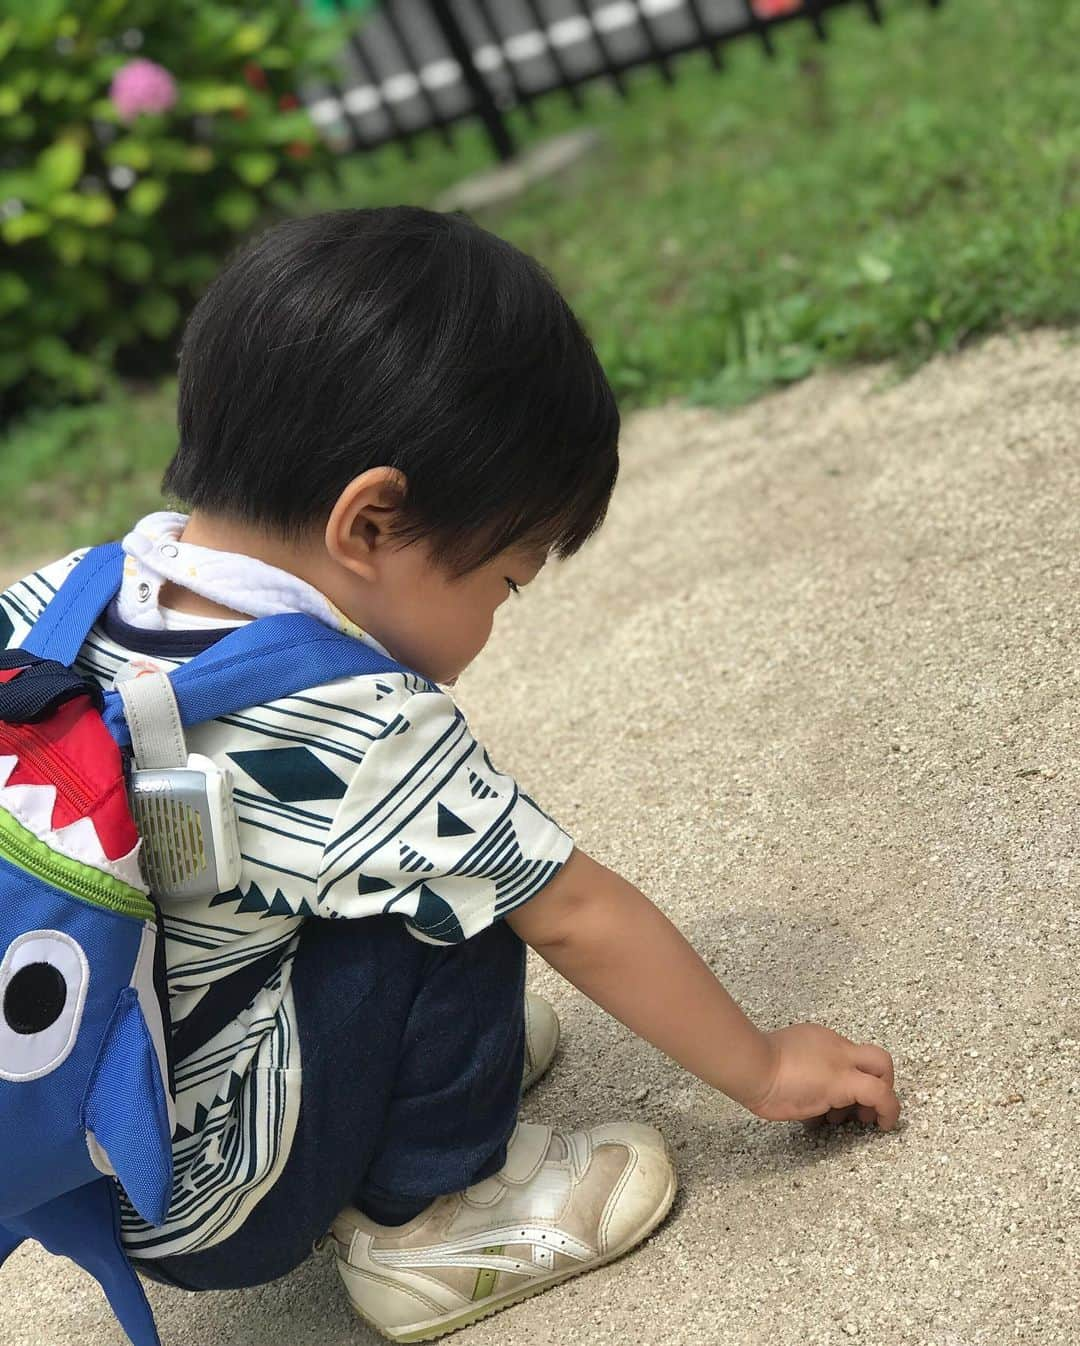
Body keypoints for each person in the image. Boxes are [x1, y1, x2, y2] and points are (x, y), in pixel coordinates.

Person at [0, 207, 900, 1343]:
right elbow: (575, 910)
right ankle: (433, 1218)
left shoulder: (49, 608)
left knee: (352, 882)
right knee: (470, 889)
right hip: (229, 1196)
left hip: (93, 1144)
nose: (497, 616)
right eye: (506, 581)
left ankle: (380, 1089)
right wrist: (766, 1066)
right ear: (370, 521)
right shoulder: (361, 728)